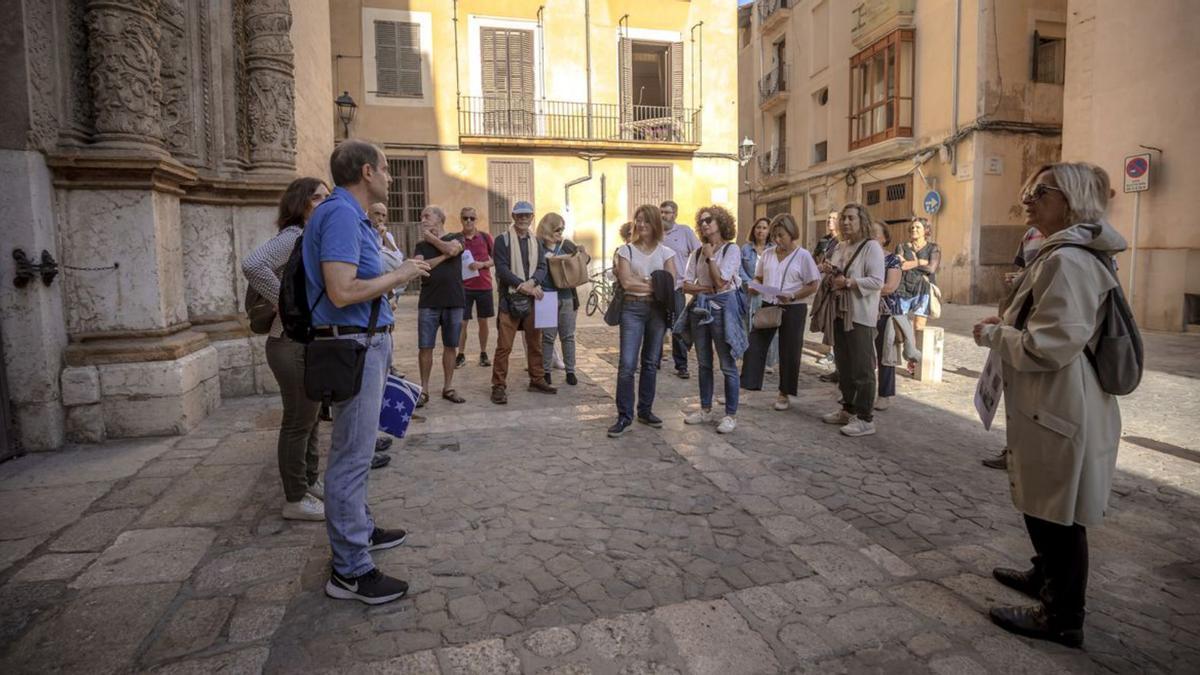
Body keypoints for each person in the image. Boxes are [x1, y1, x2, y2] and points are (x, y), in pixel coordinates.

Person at [973, 162, 1124, 648]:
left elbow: (1051, 344)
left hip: (1060, 394)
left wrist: (996, 333)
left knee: (1058, 510)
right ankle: (1045, 577)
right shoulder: (1059, 253)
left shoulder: (1070, 260)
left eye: (1040, 191)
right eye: (1028, 190)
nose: (1027, 199)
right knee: (1044, 494)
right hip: (1052, 394)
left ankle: (1063, 614)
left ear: (1071, 199)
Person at [302, 140, 429, 604]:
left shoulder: (347, 215)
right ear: (366, 171)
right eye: (388, 170)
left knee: (355, 450)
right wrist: (402, 275)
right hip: (352, 345)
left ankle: (360, 531)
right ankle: (350, 571)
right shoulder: (338, 215)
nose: (392, 178)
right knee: (351, 456)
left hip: (363, 343)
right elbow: (340, 290)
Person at [243, 177, 330, 521]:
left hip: (301, 342)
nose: (325, 202)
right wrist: (284, 299)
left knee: (310, 419)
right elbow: (252, 264)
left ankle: (308, 481)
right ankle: (294, 498)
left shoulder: (308, 236)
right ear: (302, 203)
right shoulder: (294, 235)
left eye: (326, 196)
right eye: (318, 197)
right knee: (298, 421)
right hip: (288, 343)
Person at [608, 204, 677, 437]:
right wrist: (654, 284)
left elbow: (671, 284)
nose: (641, 224)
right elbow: (627, 282)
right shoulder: (625, 251)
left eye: (646, 220)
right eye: (638, 220)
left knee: (650, 363)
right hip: (632, 309)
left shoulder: (666, 252)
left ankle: (645, 410)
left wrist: (645, 281)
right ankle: (624, 416)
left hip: (657, 312)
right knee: (627, 364)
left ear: (655, 223)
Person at [983, 226, 1047, 470]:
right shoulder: (1030, 235)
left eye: (1038, 193)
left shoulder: (1077, 247)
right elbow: (1024, 271)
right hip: (1021, 323)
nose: (1028, 202)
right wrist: (1016, 279)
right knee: (1017, 392)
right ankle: (1014, 449)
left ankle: (1033, 455)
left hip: (1044, 331)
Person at [741, 214, 820, 411]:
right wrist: (755, 286)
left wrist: (793, 296)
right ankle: (747, 387)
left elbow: (813, 284)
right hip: (769, 303)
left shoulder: (803, 256)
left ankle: (784, 393)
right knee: (754, 345)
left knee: (789, 351)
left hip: (793, 307)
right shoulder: (767, 254)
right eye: (774, 235)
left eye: (781, 235)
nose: (777, 240)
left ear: (792, 234)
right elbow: (759, 277)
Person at [679, 206, 746, 434]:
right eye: (702, 221)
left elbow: (721, 282)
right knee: (704, 363)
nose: (705, 224)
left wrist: (710, 258)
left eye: (710, 220)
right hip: (701, 308)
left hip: (723, 310)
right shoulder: (696, 252)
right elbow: (685, 284)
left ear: (721, 223)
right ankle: (705, 409)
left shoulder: (731, 250)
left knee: (727, 365)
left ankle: (730, 415)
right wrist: (704, 288)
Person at [820, 203, 885, 437]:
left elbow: (877, 281)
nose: (846, 223)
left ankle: (866, 418)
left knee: (862, 368)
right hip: (839, 312)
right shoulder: (840, 246)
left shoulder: (872, 248)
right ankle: (847, 409)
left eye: (851, 219)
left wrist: (849, 283)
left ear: (862, 221)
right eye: (844, 219)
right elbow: (836, 271)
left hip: (860, 315)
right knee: (844, 366)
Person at [491, 201, 557, 404]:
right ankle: (498, 386)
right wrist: (522, 285)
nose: (522, 219)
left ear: (531, 217)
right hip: (509, 300)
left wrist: (532, 283)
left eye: (526, 215)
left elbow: (541, 267)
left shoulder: (536, 242)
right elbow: (501, 268)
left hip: (531, 300)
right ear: (513, 217)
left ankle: (536, 380)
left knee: (534, 343)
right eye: (519, 215)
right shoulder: (502, 240)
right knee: (504, 346)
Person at [413, 205, 466, 407]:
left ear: (440, 218)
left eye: (427, 215)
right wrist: (445, 256)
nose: (423, 220)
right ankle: (424, 390)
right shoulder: (420, 246)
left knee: (451, 346)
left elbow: (454, 248)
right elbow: (421, 267)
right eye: (421, 217)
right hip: (429, 302)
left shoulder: (457, 237)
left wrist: (433, 240)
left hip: (454, 301)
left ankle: (448, 387)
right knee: (425, 347)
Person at [537, 213, 582, 387]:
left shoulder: (566, 244)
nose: (560, 232)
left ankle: (570, 371)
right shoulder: (537, 246)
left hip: (567, 296)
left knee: (568, 336)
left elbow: (583, 261)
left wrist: (582, 254)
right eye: (557, 228)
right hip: (546, 296)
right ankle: (546, 372)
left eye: (562, 228)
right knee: (548, 337)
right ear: (548, 228)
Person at [659, 200, 700, 380]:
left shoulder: (685, 232)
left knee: (678, 326)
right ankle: (654, 359)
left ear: (675, 214)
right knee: (657, 324)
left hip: (677, 287)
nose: (663, 216)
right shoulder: (655, 233)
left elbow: (700, 253)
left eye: (667, 212)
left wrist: (692, 278)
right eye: (661, 212)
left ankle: (681, 365)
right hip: (658, 288)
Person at [456, 206, 495, 369]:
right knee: (462, 322)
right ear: (461, 219)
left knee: (483, 321)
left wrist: (482, 264)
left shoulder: (486, 237)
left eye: (472, 218)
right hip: (463, 287)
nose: (469, 221)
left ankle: (483, 352)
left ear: (476, 219)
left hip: (484, 285)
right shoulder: (457, 239)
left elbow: (496, 259)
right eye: (465, 218)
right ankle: (461, 354)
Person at [872, 221, 904, 411]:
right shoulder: (863, 258)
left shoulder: (892, 259)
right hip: (865, 309)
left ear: (885, 238)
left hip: (885, 311)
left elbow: (890, 287)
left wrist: (862, 286)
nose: (872, 237)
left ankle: (884, 394)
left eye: (876, 234)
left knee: (885, 354)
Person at [741, 217, 778, 372]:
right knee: (750, 328)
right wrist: (751, 284)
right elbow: (740, 270)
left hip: (768, 294)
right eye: (758, 227)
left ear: (769, 231)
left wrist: (764, 287)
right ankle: (751, 361)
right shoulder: (745, 249)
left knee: (769, 327)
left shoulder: (774, 249)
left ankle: (768, 362)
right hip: (751, 293)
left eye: (764, 228)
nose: (760, 230)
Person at [897, 217, 941, 332]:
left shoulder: (933, 248)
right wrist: (920, 262)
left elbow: (931, 269)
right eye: (912, 227)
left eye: (918, 227)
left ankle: (916, 350)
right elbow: (899, 266)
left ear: (926, 230)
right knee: (899, 326)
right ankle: (904, 349)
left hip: (922, 289)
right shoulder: (901, 247)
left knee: (918, 327)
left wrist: (908, 264)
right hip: (903, 288)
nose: (914, 229)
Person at [814, 210, 841, 371]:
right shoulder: (824, 240)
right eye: (828, 218)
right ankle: (831, 351)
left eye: (833, 218)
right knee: (827, 318)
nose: (830, 221)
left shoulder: (842, 241)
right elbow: (815, 257)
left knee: (834, 317)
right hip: (825, 281)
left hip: (837, 282)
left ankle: (835, 354)